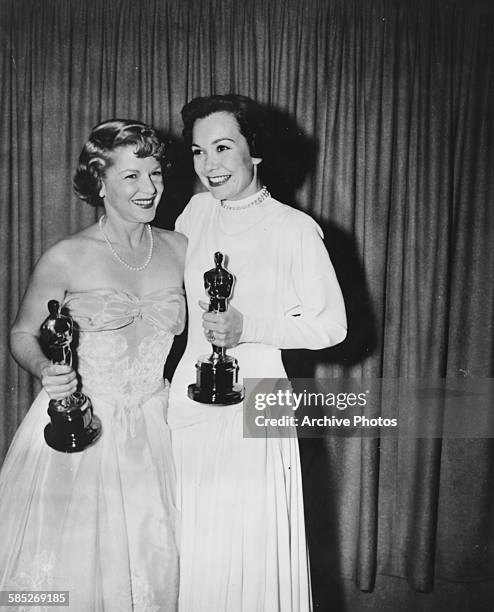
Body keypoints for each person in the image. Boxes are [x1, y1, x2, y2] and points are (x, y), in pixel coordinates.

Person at [168, 94, 347, 612]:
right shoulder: (196, 212)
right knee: (195, 546)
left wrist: (251, 328)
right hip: (191, 403)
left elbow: (332, 326)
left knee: (248, 551)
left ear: (256, 151)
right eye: (199, 152)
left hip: (255, 403)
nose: (210, 165)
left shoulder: (294, 229)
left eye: (223, 147)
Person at [0, 120, 186, 611]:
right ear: (99, 181)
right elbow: (21, 334)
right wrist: (44, 369)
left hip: (158, 430)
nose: (149, 188)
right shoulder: (67, 256)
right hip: (82, 429)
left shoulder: (182, 248)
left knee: (157, 566)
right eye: (132, 177)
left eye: (156, 174)